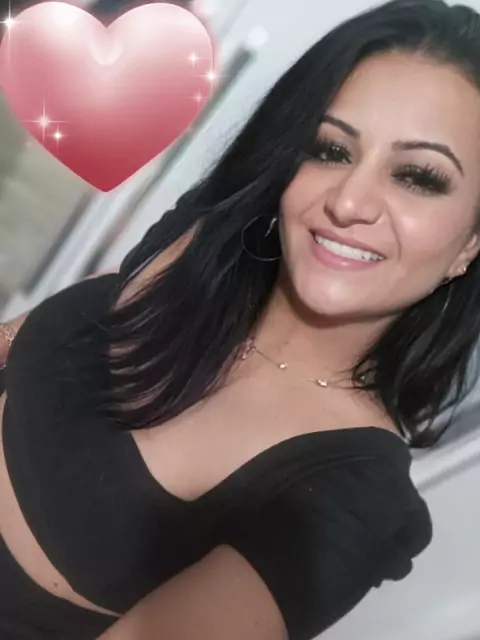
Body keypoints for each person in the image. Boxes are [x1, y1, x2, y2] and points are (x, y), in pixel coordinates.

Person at [1, 0, 480, 637]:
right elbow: (33, 339)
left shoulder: (353, 496)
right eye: (330, 150)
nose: (349, 202)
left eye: (418, 177)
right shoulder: (199, 243)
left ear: (470, 244)